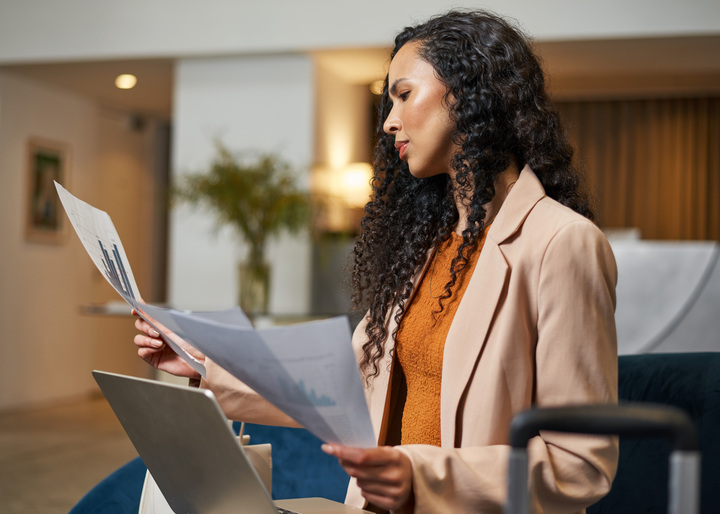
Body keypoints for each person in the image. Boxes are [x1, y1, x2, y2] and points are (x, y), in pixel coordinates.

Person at [134, 9, 618, 514]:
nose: (389, 122)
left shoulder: (562, 243)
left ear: (469, 91)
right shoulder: (426, 247)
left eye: (404, 95)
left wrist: (419, 476)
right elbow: (340, 384)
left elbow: (579, 463)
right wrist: (202, 363)